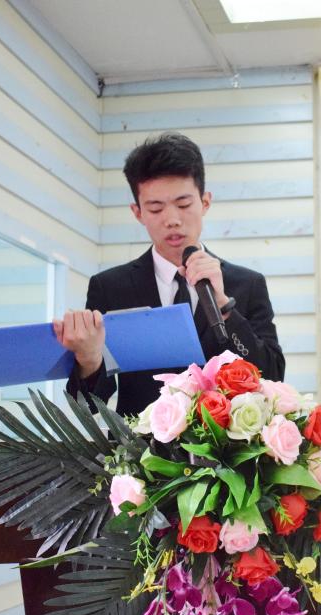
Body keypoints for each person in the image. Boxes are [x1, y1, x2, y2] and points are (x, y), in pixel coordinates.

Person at [53, 132, 285, 416]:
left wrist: (225, 307)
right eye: (155, 208)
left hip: (226, 443)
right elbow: (86, 405)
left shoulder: (247, 284)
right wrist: (88, 359)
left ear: (205, 202)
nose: (172, 220)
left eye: (184, 204)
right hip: (139, 443)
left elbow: (272, 376)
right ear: (137, 212)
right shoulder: (110, 287)